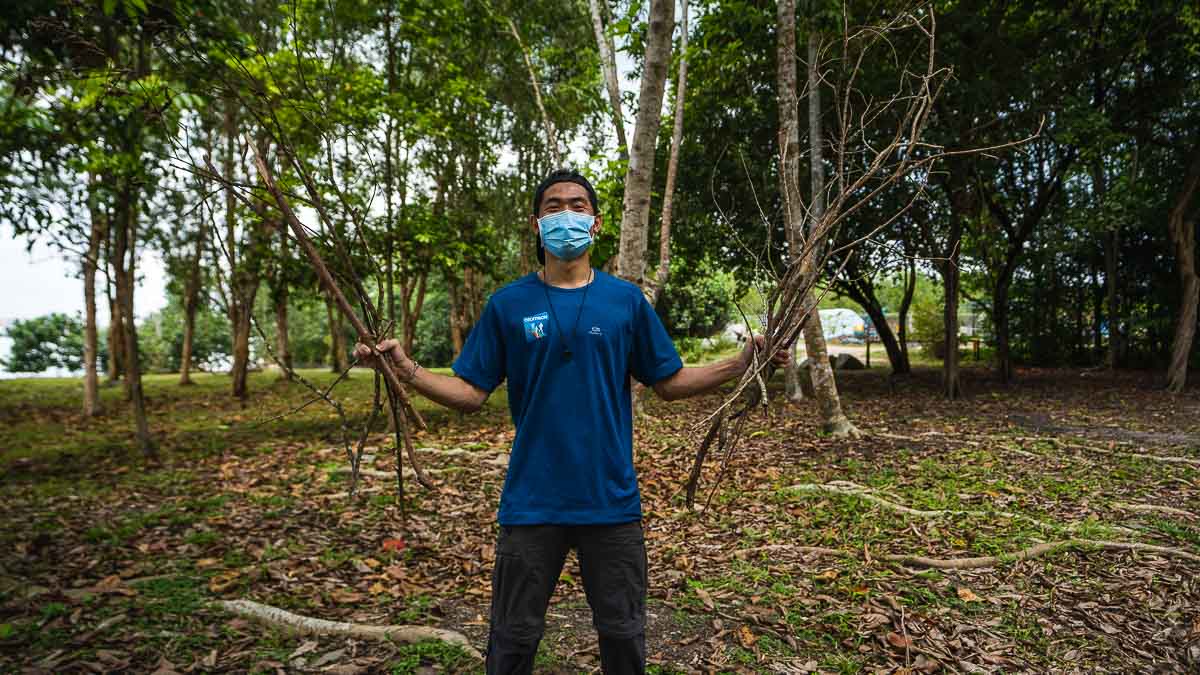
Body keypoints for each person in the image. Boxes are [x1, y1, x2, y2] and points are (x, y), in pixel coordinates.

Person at [356, 168, 789, 674]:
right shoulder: (508, 304)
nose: (566, 214)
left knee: (624, 635)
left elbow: (668, 381)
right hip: (531, 502)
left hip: (610, 501)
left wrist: (741, 362)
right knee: (513, 637)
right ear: (538, 225)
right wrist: (404, 368)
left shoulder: (625, 301)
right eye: (554, 207)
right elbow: (470, 392)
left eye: (577, 205)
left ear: (597, 222)